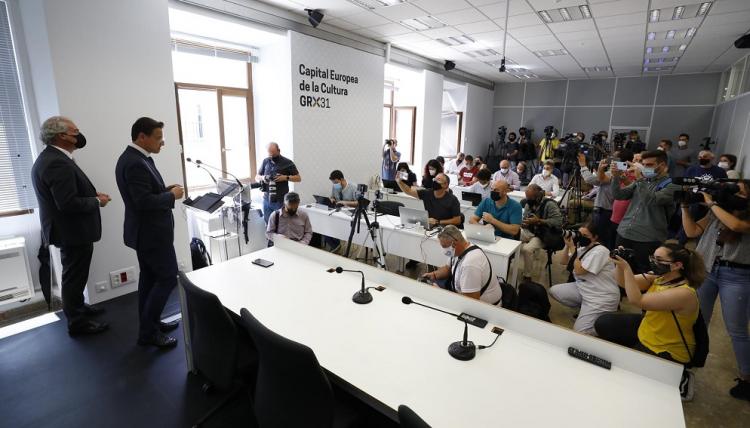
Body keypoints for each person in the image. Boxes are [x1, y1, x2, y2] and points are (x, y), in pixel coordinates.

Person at [31, 116, 111, 336]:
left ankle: (78, 307)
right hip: (72, 230)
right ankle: (77, 322)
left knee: (75, 274)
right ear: (61, 135)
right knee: (74, 275)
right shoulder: (56, 161)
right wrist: (96, 201)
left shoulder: (54, 158)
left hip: (70, 229)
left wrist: (91, 194)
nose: (79, 134)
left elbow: (67, 193)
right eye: (75, 131)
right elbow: (67, 203)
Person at [597, 242, 704, 401]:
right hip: (649, 330)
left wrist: (627, 268)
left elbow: (636, 300)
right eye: (653, 257)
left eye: (659, 259)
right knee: (603, 323)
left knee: (628, 384)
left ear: (677, 265)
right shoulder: (660, 277)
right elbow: (623, 282)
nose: (653, 261)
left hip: (667, 349)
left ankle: (681, 377)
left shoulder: (684, 293)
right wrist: (619, 264)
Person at [115, 117, 183, 348]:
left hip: (145, 232)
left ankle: (151, 323)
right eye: (158, 137)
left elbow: (145, 193)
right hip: (151, 234)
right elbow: (143, 201)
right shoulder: (135, 162)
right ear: (141, 137)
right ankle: (147, 332)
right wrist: (171, 196)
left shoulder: (137, 159)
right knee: (167, 277)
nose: (162, 142)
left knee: (149, 278)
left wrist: (164, 190)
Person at [682, 184, 750, 401]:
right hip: (707, 271)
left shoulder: (737, 215)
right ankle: (688, 361)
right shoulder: (718, 212)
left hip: (737, 275)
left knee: (736, 329)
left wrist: (711, 202)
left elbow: (737, 226)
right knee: (698, 319)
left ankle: (747, 378)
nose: (732, 195)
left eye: (738, 192)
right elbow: (691, 232)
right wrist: (685, 206)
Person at [611, 150, 679, 274]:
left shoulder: (672, 185)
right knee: (620, 268)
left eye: (649, 165)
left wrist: (640, 179)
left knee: (643, 273)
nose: (644, 167)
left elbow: (651, 200)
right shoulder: (643, 181)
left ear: (662, 165)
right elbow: (619, 195)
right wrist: (616, 176)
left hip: (648, 238)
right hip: (625, 232)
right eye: (643, 164)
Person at [550, 221, 620, 335]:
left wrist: (573, 249)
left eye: (585, 236)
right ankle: (585, 309)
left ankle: (604, 320)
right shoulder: (583, 249)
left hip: (602, 297)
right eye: (579, 234)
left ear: (595, 237)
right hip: (585, 290)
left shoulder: (601, 251)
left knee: (579, 332)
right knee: (554, 291)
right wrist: (568, 246)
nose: (581, 238)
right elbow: (563, 261)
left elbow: (579, 270)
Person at [420, 226, 502, 305]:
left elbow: (471, 301)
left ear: (454, 244)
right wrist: (433, 275)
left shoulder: (470, 264)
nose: (443, 250)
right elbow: (447, 268)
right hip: (463, 295)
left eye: (444, 246)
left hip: (484, 308)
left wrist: (440, 293)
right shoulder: (459, 251)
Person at [519, 184, 563, 280]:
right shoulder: (528, 203)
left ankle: (527, 275)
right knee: (513, 234)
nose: (528, 199)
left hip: (543, 234)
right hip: (530, 230)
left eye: (530, 197)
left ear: (538, 196)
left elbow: (559, 222)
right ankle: (507, 260)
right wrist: (524, 223)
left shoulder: (550, 204)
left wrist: (539, 221)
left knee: (527, 249)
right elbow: (525, 218)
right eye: (527, 197)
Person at [256, 142, 301, 224]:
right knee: (268, 226)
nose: (272, 157)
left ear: (279, 151)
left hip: (281, 201)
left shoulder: (287, 162)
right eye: (270, 155)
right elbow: (257, 177)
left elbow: (298, 178)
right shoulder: (265, 161)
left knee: (281, 226)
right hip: (267, 200)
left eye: (274, 155)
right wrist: (263, 178)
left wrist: (285, 177)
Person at [578, 153, 615, 249]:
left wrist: (583, 166)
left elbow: (590, 179)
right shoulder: (613, 174)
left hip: (604, 211)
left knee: (598, 238)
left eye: (613, 158)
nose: (609, 160)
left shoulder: (612, 174)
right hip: (605, 210)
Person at [610, 149, 635, 234]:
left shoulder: (644, 176)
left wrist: (639, 169)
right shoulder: (623, 171)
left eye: (639, 161)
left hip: (630, 219)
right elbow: (617, 194)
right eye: (635, 160)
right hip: (616, 214)